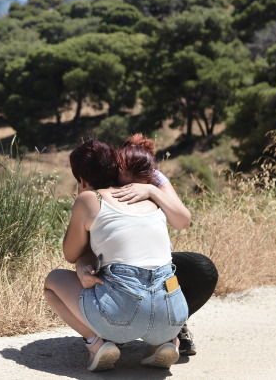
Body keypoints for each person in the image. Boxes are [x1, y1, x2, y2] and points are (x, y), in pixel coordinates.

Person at [43, 136, 190, 372]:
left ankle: (96, 343)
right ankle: (166, 340)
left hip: (120, 318)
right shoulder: (148, 195)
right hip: (174, 316)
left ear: (81, 179)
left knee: (52, 282)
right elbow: (183, 220)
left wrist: (82, 197)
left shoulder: (89, 199)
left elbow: (70, 254)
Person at [76, 140, 219, 356]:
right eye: (126, 178)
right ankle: (112, 329)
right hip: (113, 269)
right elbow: (81, 244)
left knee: (203, 269)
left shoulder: (153, 180)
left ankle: (172, 327)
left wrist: (152, 191)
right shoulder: (101, 183)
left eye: (142, 178)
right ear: (116, 169)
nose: (132, 184)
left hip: (157, 268)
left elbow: (183, 221)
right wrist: (81, 265)